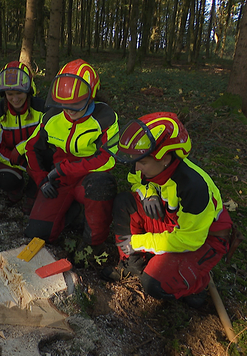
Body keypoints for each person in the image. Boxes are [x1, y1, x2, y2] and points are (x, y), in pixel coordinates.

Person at [100, 112, 234, 308]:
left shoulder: (193, 187)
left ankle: (197, 284)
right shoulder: (148, 161)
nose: (137, 167)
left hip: (202, 238)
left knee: (153, 284)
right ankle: (132, 265)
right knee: (125, 202)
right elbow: (136, 179)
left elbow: (188, 239)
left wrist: (138, 242)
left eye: (143, 163)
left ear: (165, 158)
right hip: (171, 223)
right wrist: (148, 193)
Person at [24, 59, 119, 266]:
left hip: (90, 177)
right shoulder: (52, 117)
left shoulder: (105, 118)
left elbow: (107, 158)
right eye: (64, 105)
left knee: (101, 187)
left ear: (91, 95)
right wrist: (42, 180)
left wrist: (63, 169)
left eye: (75, 105)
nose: (69, 110)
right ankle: (74, 214)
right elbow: (31, 148)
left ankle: (93, 245)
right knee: (37, 233)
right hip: (60, 179)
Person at [0, 61, 45, 214]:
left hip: (38, 157)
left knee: (47, 162)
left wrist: (24, 150)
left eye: (19, 93)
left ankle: (33, 192)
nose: (15, 98)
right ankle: (16, 189)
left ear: (29, 90)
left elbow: (48, 137)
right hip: (11, 159)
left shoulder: (42, 109)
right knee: (6, 177)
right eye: (10, 94)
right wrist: (19, 163)